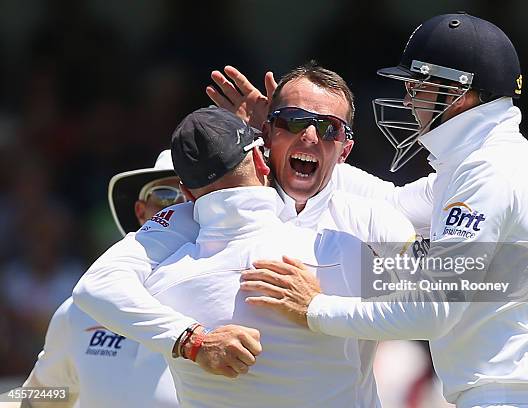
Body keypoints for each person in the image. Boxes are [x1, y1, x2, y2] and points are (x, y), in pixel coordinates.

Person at [239, 12, 528, 408]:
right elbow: (390, 203)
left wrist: (315, 308)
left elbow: (433, 310)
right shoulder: (474, 166)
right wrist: (293, 135)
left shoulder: (488, 174)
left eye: (418, 86)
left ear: (460, 93)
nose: (409, 100)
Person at [71, 62, 421, 404]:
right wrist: (194, 341)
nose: (310, 136)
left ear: (345, 148)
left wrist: (320, 308)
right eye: (293, 121)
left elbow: (461, 290)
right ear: (265, 138)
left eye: (329, 129)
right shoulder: (188, 218)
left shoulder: (368, 219)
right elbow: (97, 286)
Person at [4, 151, 185, 408]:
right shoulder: (80, 310)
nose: (176, 213)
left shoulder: (237, 303)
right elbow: (40, 397)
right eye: (165, 197)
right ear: (140, 212)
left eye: (190, 202)